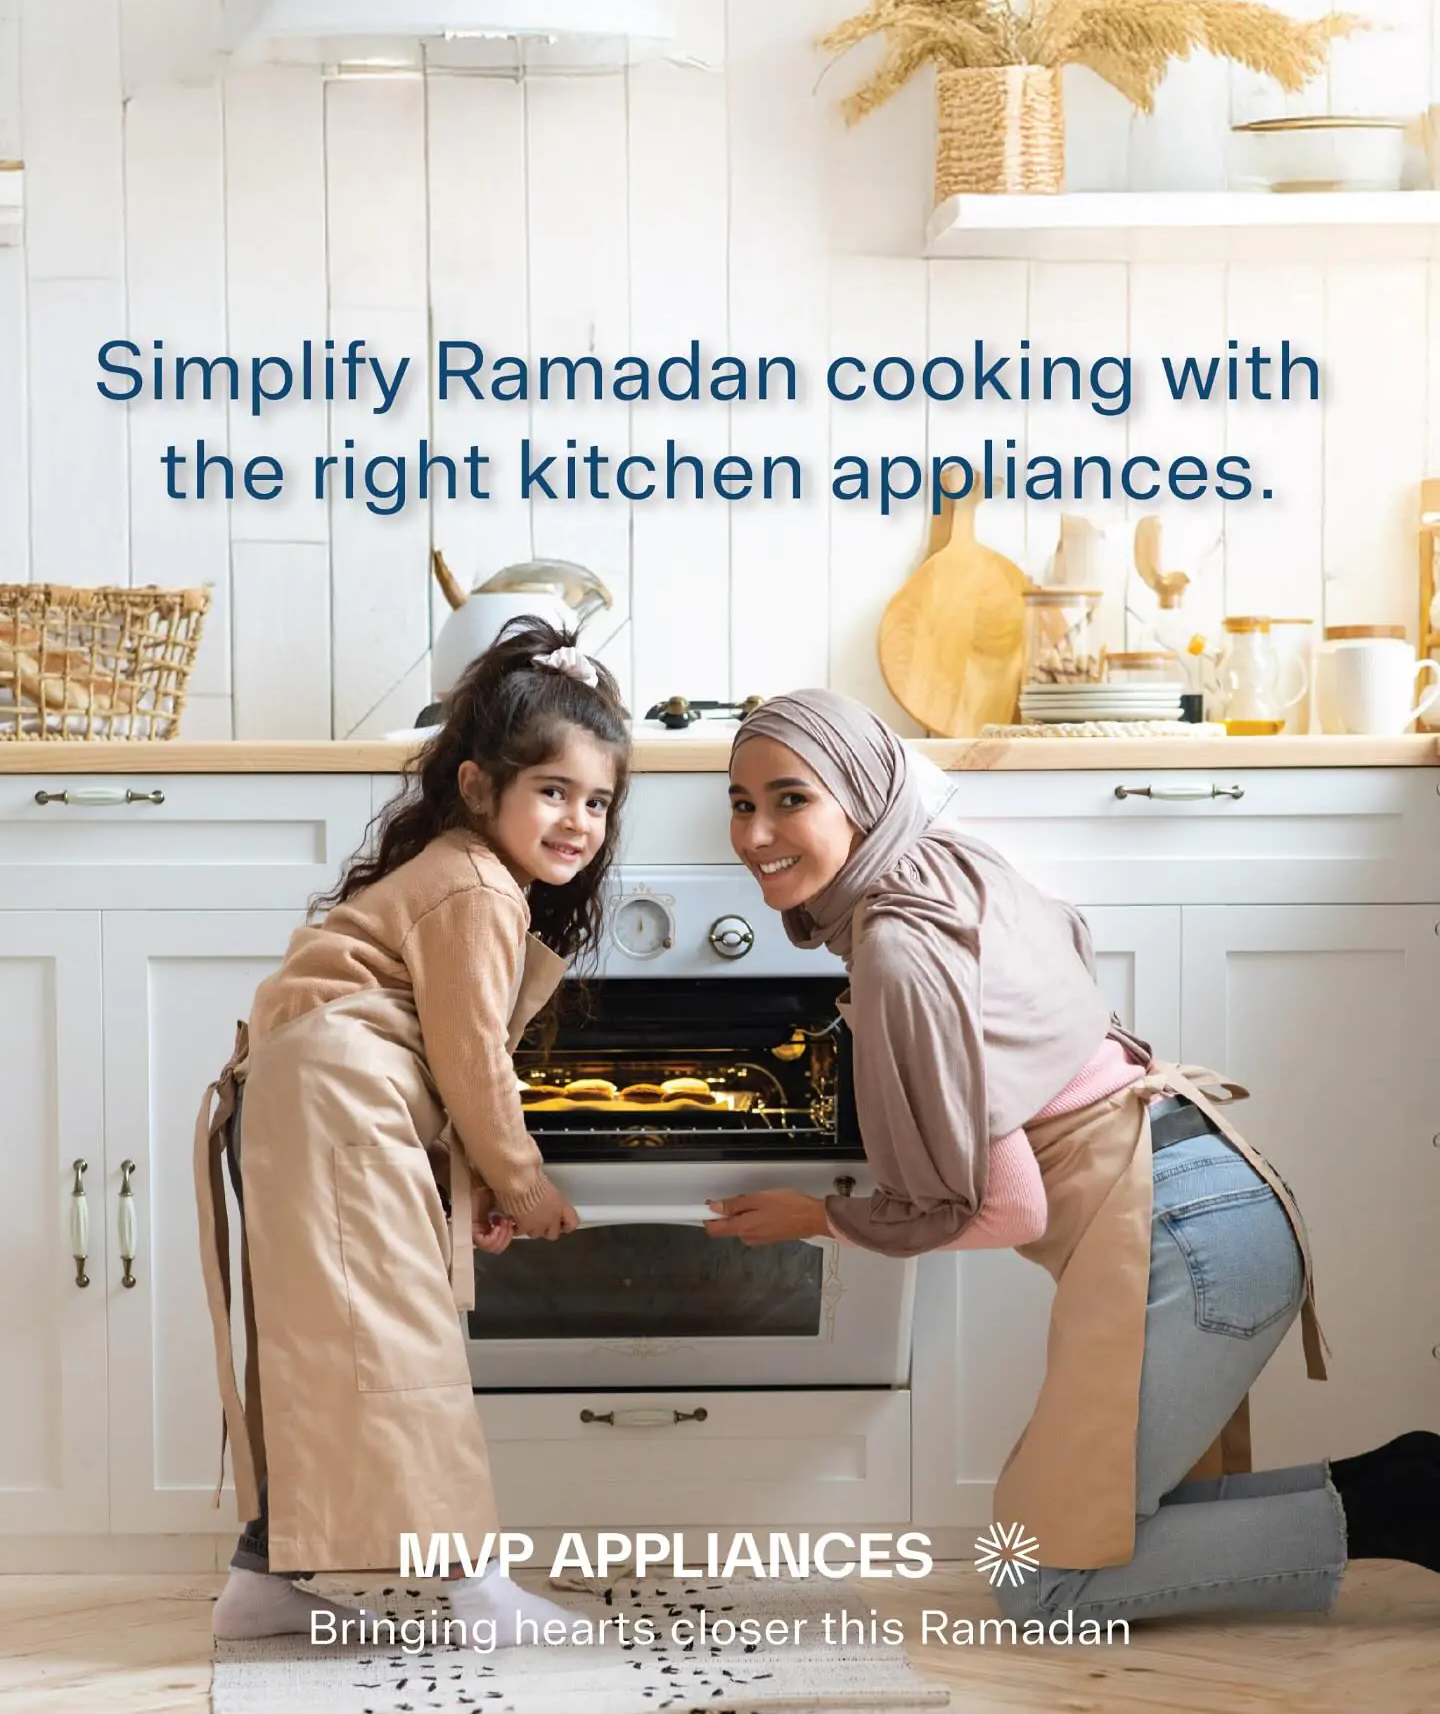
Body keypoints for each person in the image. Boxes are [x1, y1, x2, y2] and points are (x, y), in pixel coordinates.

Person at [706, 687, 1439, 1623]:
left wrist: (822, 1218)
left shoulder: (897, 950)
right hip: (1214, 1194)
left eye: (790, 799)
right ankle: (1407, 1479)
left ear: (860, 794)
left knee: (1043, 1582)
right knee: (1096, 1527)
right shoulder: (947, 866)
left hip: (1183, 1242)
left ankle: (1403, 1509)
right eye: (740, 803)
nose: (756, 833)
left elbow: (1012, 1209)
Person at [195, 619, 628, 1643]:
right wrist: (522, 1184)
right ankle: (476, 1592)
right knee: (397, 1334)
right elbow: (473, 1063)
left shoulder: (458, 876)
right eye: (554, 791)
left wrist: (458, 1188)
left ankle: (263, 1575)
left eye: (598, 800)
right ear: (480, 787)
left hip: (309, 1093)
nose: (578, 819)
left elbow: (428, 1060)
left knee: (320, 1334)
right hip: (337, 1092)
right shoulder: (477, 883)